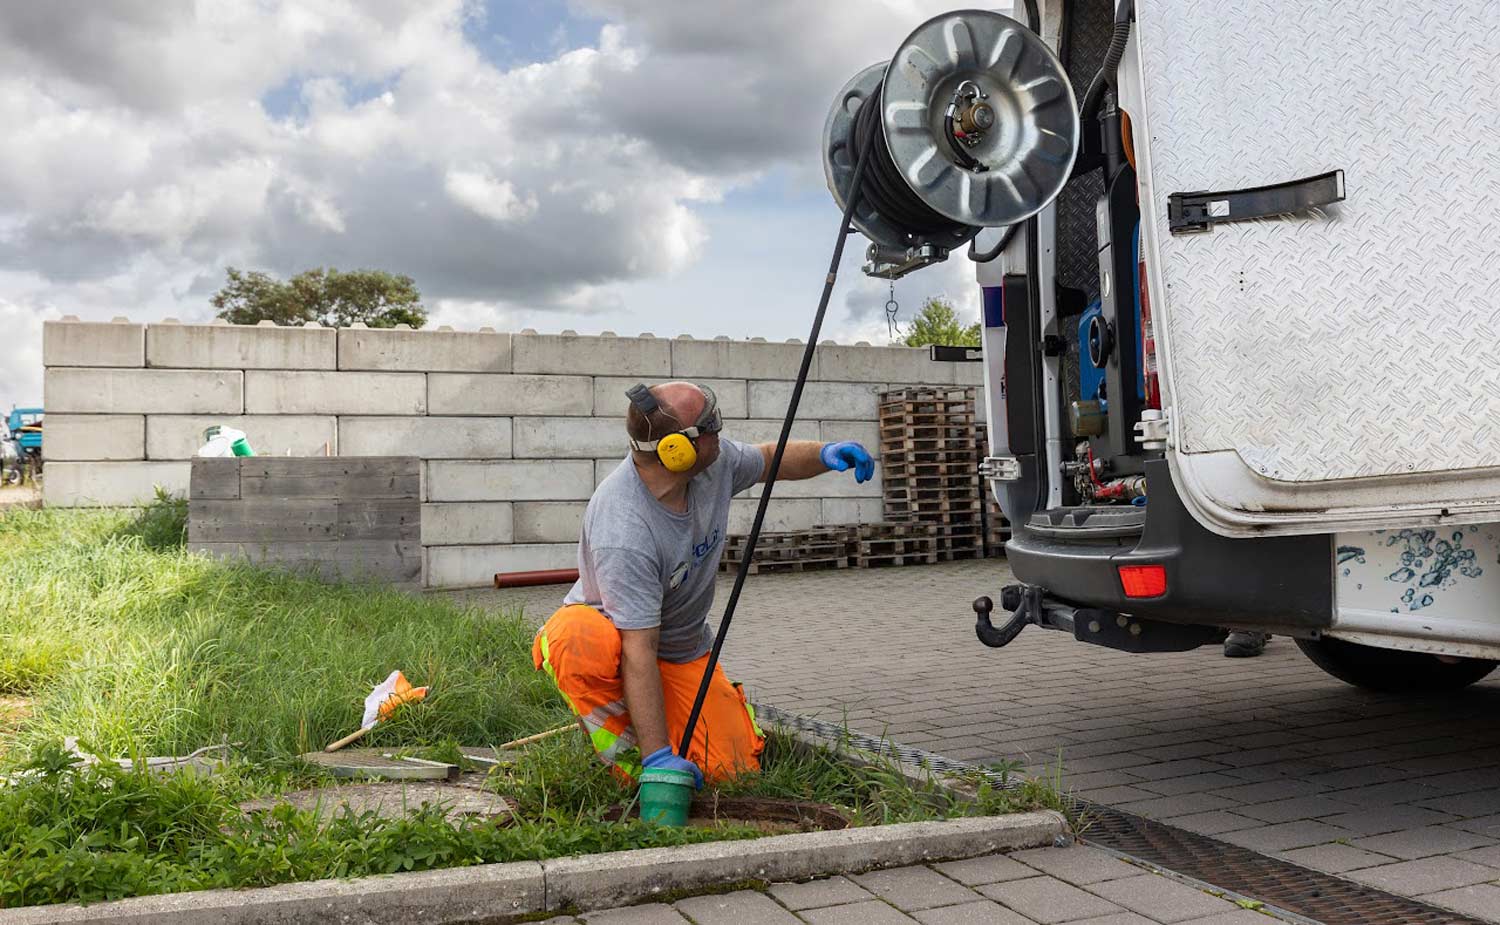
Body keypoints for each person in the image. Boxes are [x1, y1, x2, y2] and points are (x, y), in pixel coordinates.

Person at [532, 381, 874, 788]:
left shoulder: (715, 464)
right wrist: (658, 756)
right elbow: (638, 648)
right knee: (579, 638)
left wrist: (824, 453)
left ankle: (662, 738)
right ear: (678, 451)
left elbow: (769, 459)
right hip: (620, 646)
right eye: (711, 424)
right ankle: (633, 765)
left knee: (729, 773)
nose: (720, 432)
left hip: (680, 651)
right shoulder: (624, 527)